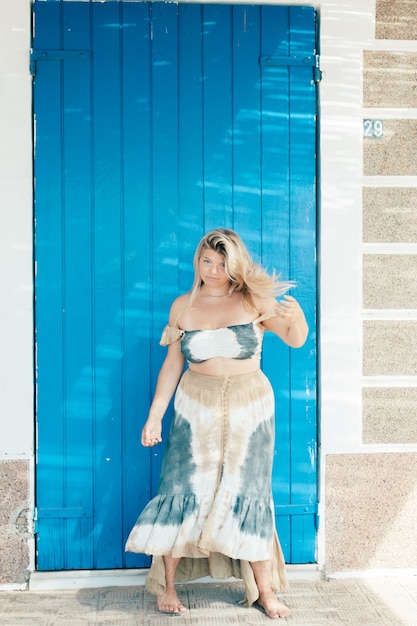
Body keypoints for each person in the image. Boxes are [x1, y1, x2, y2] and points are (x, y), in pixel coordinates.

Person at [125, 228, 308, 619]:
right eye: (207, 261)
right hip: (195, 405)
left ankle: (265, 591)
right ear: (198, 261)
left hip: (251, 407)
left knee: (250, 493)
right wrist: (155, 415)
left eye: (222, 263)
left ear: (234, 263)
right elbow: (173, 364)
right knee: (180, 488)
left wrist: (300, 319)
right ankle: (168, 585)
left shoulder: (253, 300)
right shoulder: (183, 307)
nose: (213, 269)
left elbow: (295, 340)